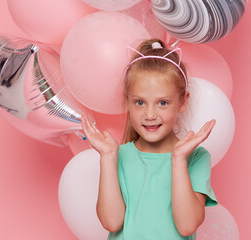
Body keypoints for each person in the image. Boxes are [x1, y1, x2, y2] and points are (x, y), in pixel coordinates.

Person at [81, 38, 218, 240]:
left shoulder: (196, 157)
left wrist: (178, 159)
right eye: (139, 102)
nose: (150, 114)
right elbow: (112, 222)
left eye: (162, 102)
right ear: (127, 100)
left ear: (183, 101)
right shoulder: (119, 156)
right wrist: (108, 157)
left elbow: (187, 226)